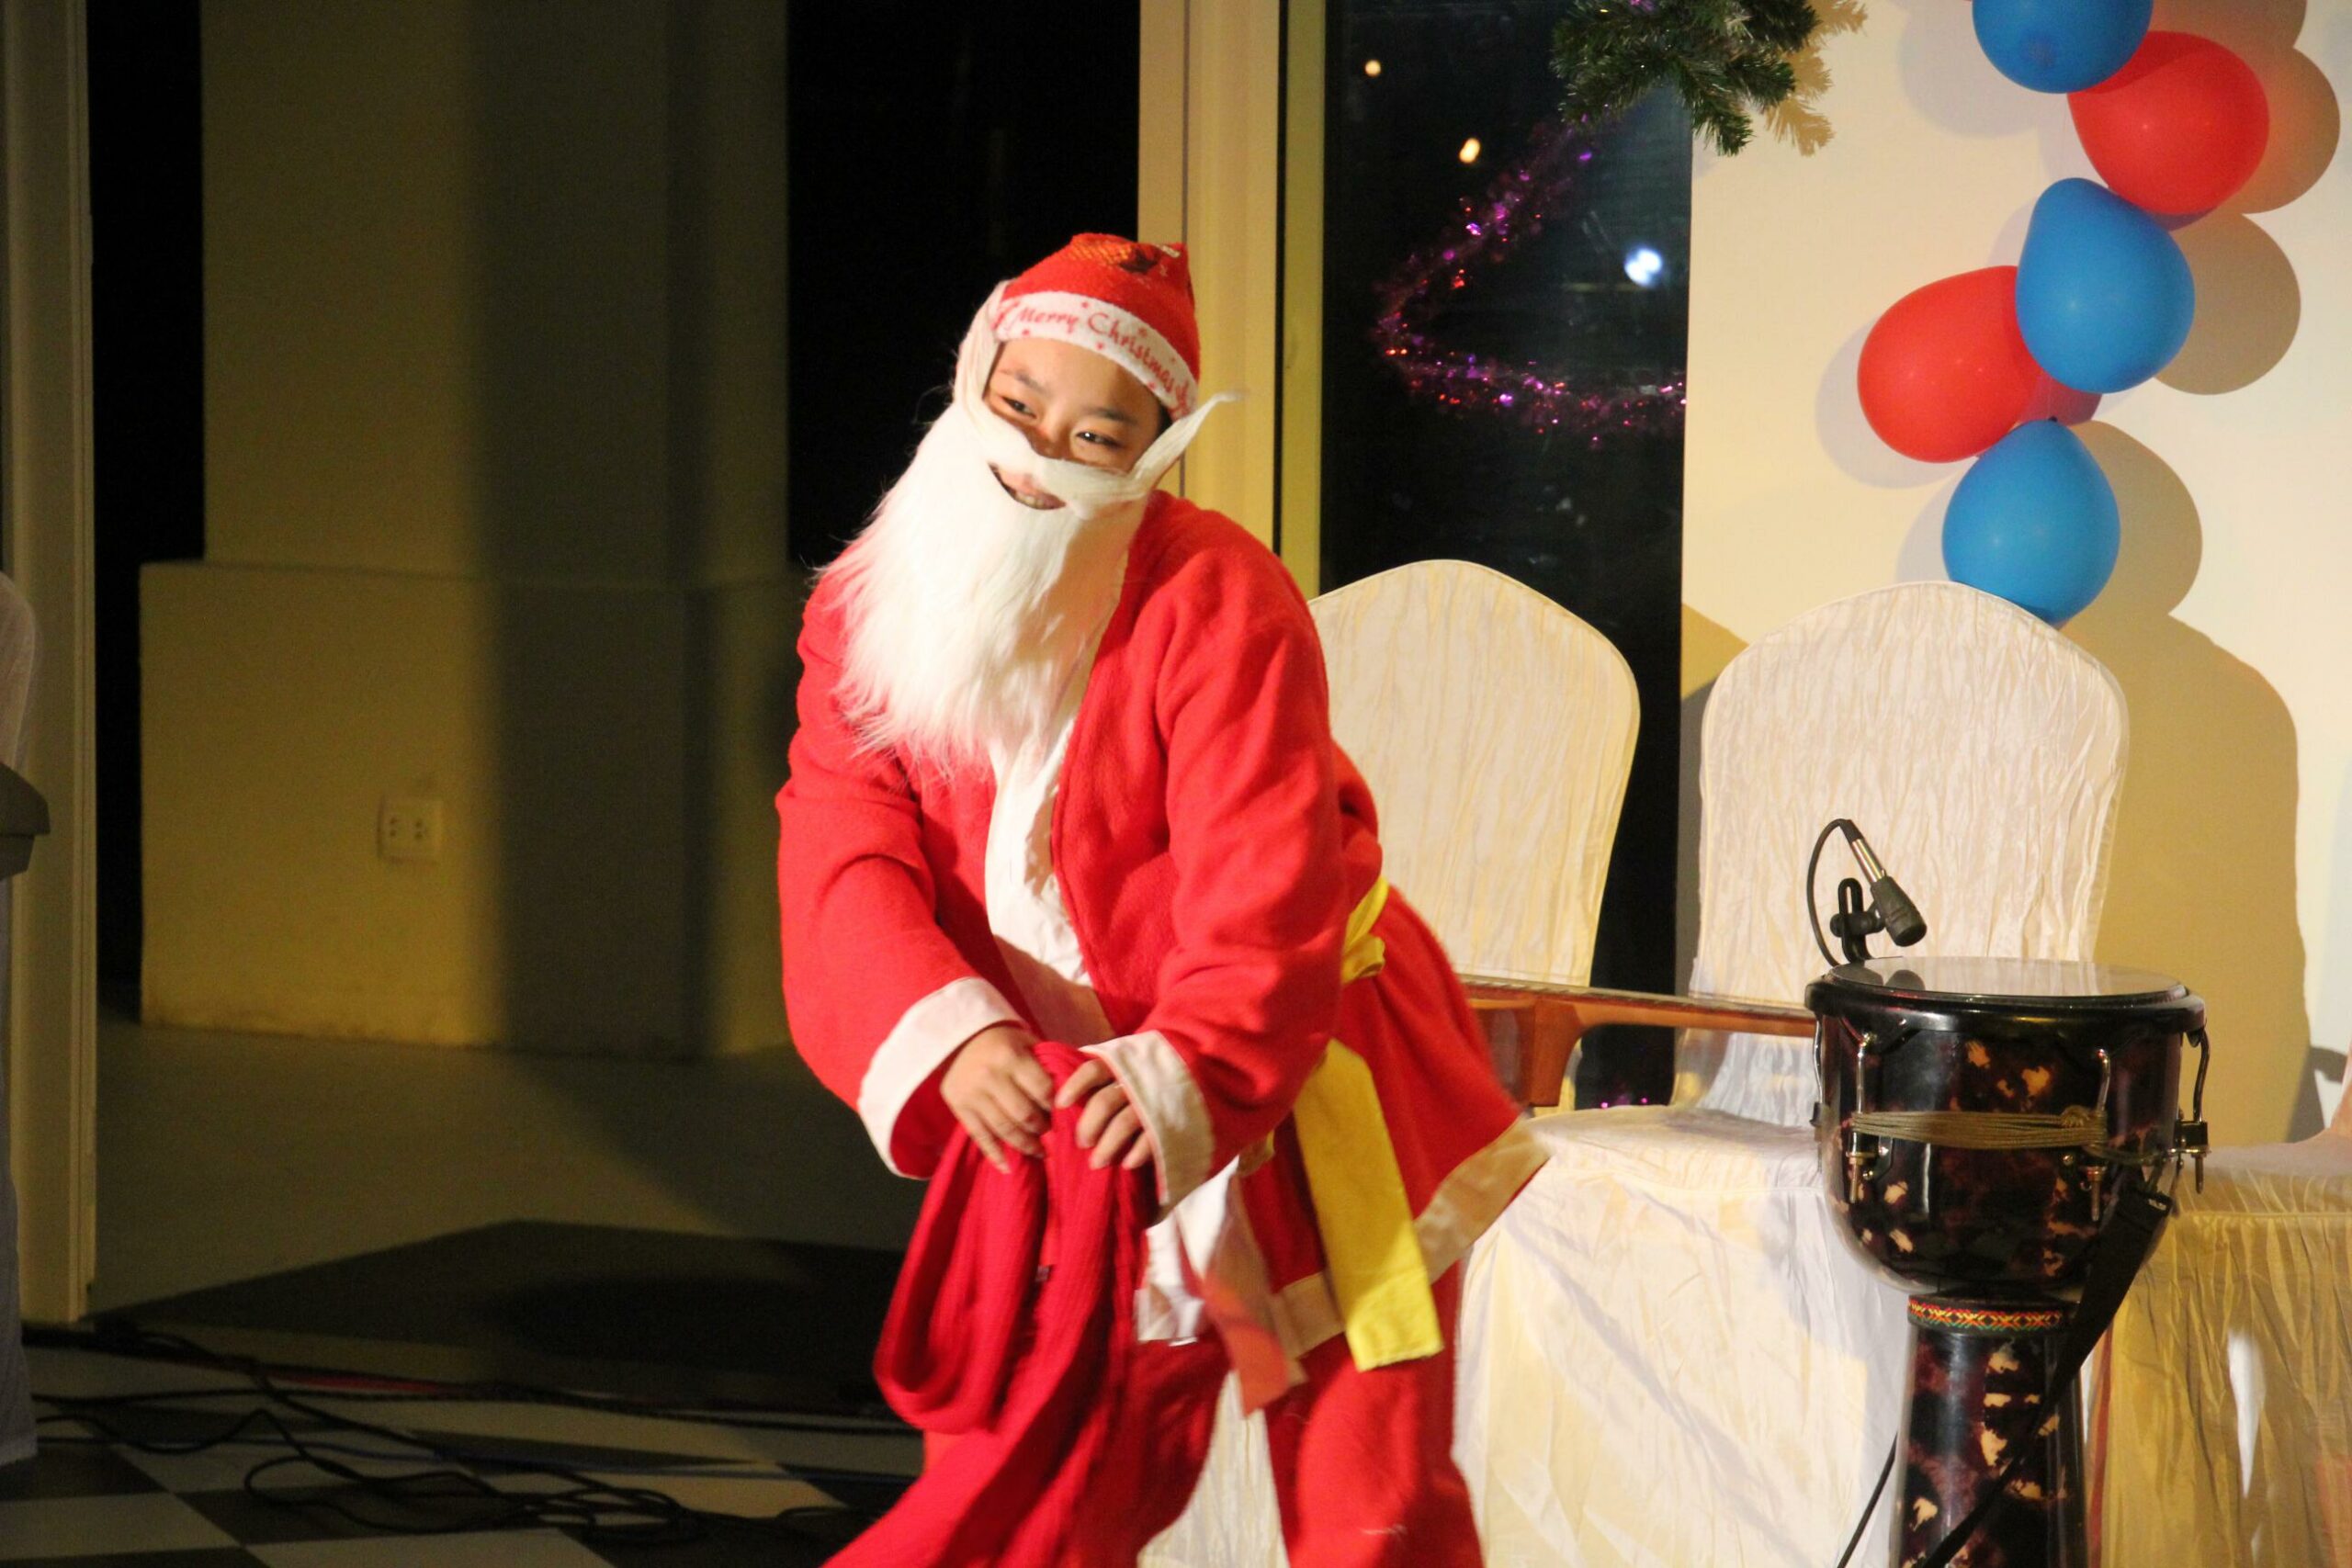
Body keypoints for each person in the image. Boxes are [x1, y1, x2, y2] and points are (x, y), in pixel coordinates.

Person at [776, 233, 1544, 1565]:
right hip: (1053, 1094)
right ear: (978, 377)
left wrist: (1184, 1068)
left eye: (1093, 435)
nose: (1035, 457)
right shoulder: (865, 602)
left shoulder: (1219, 598)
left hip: (1306, 1067)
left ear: (1151, 449)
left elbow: (1268, 879)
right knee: (1047, 1473)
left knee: (1372, 1495)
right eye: (1018, 409)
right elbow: (844, 832)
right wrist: (946, 1030)